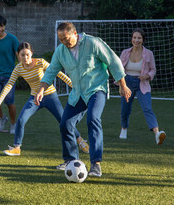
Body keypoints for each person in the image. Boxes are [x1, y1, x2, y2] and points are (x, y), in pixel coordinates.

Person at [35, 22, 132, 177]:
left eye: (66, 39)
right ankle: (70, 160)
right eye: (61, 40)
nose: (64, 43)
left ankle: (95, 164)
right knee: (65, 123)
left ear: (75, 34)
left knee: (93, 119)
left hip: (96, 90)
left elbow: (113, 61)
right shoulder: (60, 51)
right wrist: (41, 90)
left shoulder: (93, 43)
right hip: (77, 93)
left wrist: (122, 84)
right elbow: (51, 71)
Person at [0, 42, 89, 156]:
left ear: (32, 53)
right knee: (21, 120)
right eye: (22, 55)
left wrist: (74, 85)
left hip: (50, 96)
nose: (25, 57)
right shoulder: (18, 68)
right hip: (34, 99)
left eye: (27, 54)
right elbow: (9, 85)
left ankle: (80, 140)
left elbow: (57, 73)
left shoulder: (40, 62)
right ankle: (17, 148)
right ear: (18, 55)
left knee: (64, 122)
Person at [118, 28, 166, 145]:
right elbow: (118, 70)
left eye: (139, 38)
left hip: (142, 84)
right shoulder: (125, 52)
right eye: (134, 37)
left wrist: (146, 76)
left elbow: (153, 70)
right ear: (131, 39)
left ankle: (157, 134)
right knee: (125, 109)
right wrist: (121, 86)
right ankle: (124, 129)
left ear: (143, 40)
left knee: (147, 108)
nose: (136, 40)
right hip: (127, 82)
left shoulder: (148, 53)